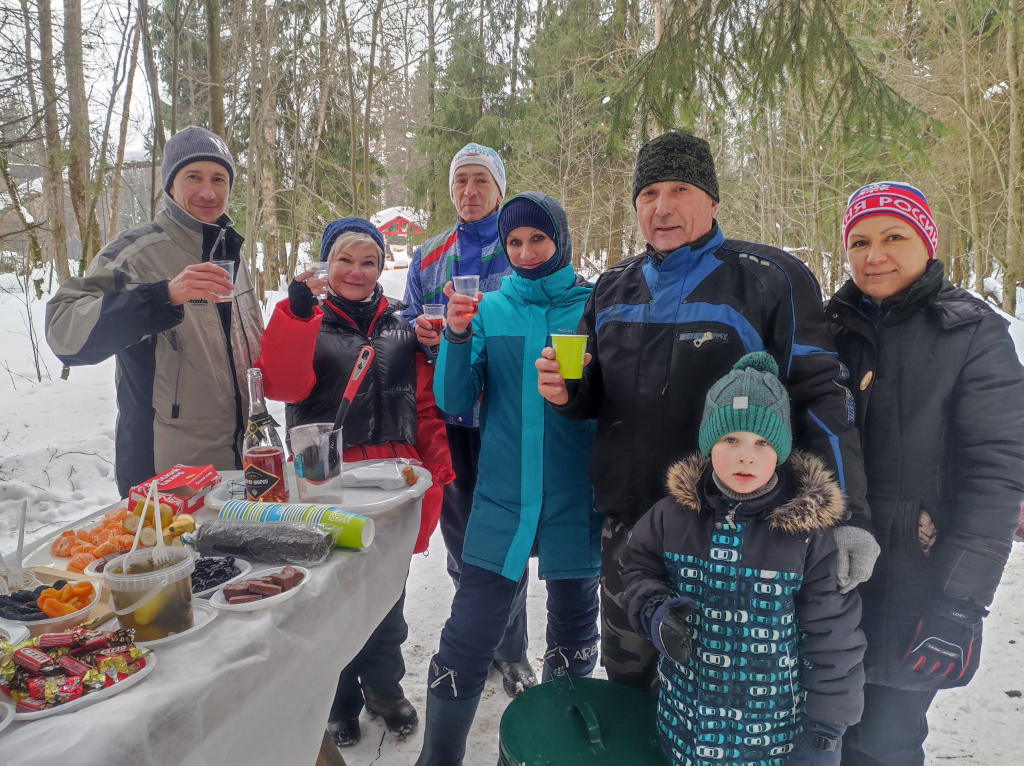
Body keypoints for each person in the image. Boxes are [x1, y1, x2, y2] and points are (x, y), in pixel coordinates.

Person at [536, 131, 876, 693]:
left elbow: (821, 395)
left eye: (680, 189)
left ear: (713, 201)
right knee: (630, 686)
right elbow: (593, 392)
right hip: (632, 532)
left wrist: (849, 515)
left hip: (735, 533)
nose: (662, 207)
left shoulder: (769, 278)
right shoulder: (614, 287)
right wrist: (567, 393)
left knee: (721, 695)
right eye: (648, 193)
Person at [825, 182, 1024, 766]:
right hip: (826, 575)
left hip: (917, 578)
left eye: (894, 237)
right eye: (859, 241)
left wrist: (959, 606)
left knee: (884, 743)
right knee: (821, 738)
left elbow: (997, 476)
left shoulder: (972, 333)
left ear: (926, 243)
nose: (874, 255)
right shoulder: (826, 328)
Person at [415, 192, 602, 766]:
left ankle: (549, 751)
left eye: (537, 239)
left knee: (573, 634)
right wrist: (455, 336)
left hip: (576, 498)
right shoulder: (489, 310)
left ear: (560, 241)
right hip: (503, 499)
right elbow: (453, 400)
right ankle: (438, 757)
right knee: (468, 633)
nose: (523, 252)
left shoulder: (594, 308)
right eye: (513, 241)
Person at [256, 218, 454, 748]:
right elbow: (280, 382)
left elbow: (427, 405)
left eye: (369, 262)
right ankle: (339, 700)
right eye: (346, 260)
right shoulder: (308, 319)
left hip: (394, 484)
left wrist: (436, 465)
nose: (357, 272)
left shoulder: (401, 327)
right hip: (328, 484)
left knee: (389, 597)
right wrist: (297, 312)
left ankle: (384, 691)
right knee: (332, 598)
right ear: (327, 264)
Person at [623, 352, 866, 766]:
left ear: (782, 450)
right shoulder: (671, 514)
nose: (745, 456)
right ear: (708, 442)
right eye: (730, 439)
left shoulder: (808, 535)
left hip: (771, 737)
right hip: (683, 726)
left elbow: (833, 636)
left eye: (762, 442)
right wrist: (653, 609)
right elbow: (638, 568)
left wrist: (826, 732)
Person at [45, 126, 263, 497]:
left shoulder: (234, 257)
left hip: (242, 462)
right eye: (194, 177)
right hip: (165, 470)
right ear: (170, 185)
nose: (208, 192)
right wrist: (162, 297)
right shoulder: (136, 253)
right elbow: (64, 333)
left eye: (219, 179)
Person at [402, 142, 537, 694]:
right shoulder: (430, 257)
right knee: (462, 544)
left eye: (481, 181)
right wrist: (420, 330)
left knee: (508, 538)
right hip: (450, 419)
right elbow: (408, 318)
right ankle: (476, 640)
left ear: (500, 190)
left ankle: (514, 650)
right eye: (461, 182)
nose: (470, 192)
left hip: (506, 416)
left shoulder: (521, 252)